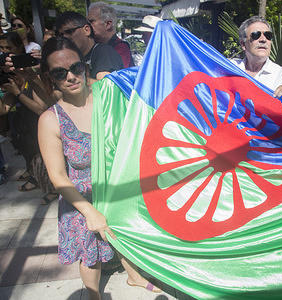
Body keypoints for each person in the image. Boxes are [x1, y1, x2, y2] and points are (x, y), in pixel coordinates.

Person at [38, 36, 162, 299]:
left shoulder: (110, 94)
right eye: (60, 73)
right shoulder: (51, 120)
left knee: (123, 237)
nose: (71, 76)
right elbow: (57, 176)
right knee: (91, 253)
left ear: (85, 65)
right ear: (50, 78)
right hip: (81, 197)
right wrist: (89, 211)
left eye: (76, 68)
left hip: (117, 186)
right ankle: (93, 294)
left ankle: (134, 276)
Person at [0, 32, 58, 204]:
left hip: (38, 131)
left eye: (9, 48)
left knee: (44, 164)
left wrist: (18, 92)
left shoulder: (32, 73)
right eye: (1, 48)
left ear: (20, 49)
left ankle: (54, 191)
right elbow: (3, 109)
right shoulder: (10, 78)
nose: (5, 53)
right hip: (22, 132)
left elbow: (41, 108)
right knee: (33, 163)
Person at [231, 16, 282, 100]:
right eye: (256, 35)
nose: (263, 39)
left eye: (267, 35)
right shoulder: (229, 68)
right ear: (243, 44)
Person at [55, 11, 123, 82]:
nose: (65, 37)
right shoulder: (76, 58)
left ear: (86, 30)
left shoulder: (103, 51)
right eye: (60, 35)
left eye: (69, 31)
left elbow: (105, 87)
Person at [87, 2, 134, 68]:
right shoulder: (95, 46)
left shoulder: (121, 48)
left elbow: (115, 76)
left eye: (91, 21)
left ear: (108, 24)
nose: (87, 26)